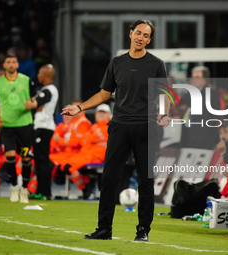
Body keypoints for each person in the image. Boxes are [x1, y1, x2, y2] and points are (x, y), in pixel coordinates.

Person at [62, 19, 171, 242]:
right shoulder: (117, 63)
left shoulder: (156, 64)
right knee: (109, 178)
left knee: (145, 181)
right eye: (138, 33)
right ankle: (104, 230)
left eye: (146, 35)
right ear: (130, 34)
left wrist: (165, 113)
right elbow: (104, 94)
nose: (141, 38)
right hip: (119, 126)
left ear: (149, 40)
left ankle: (143, 231)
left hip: (146, 126)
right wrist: (80, 107)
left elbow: (164, 95)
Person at [0, 54, 36, 203]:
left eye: (14, 62)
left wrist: (32, 104)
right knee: (9, 157)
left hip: (24, 125)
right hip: (7, 126)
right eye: (8, 62)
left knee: (26, 157)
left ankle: (25, 190)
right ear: (4, 65)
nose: (11, 64)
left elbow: (34, 100)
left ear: (17, 65)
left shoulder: (26, 80)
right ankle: (14, 187)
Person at [59, 104, 111, 199]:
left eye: (104, 113)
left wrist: (88, 138)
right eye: (99, 112)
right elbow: (84, 140)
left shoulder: (109, 127)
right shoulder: (94, 126)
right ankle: (86, 183)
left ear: (109, 115)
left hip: (97, 155)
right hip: (85, 154)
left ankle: (85, 186)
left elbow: (88, 138)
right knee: (63, 166)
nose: (101, 115)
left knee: (68, 166)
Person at [24, 64, 59, 200]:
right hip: (42, 127)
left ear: (46, 76)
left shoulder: (48, 90)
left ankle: (45, 193)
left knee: (42, 160)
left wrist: (32, 103)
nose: (38, 75)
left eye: (39, 73)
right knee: (39, 160)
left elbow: (32, 104)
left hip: (44, 127)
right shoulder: (45, 90)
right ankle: (41, 191)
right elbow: (36, 105)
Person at [179, 66, 221, 149]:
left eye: (197, 77)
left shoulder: (211, 94)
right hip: (188, 136)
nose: (193, 80)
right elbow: (182, 103)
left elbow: (213, 118)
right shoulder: (190, 94)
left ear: (204, 79)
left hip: (204, 139)